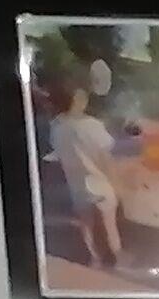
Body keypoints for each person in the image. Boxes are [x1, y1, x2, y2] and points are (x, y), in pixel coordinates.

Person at [46, 76, 124, 275]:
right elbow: (105, 157)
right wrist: (116, 183)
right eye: (82, 97)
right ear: (77, 100)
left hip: (76, 183)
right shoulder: (92, 125)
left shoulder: (56, 126)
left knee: (86, 223)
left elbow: (57, 153)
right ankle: (116, 258)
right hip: (99, 181)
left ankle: (94, 258)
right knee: (109, 223)